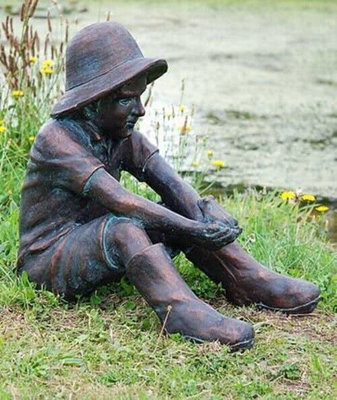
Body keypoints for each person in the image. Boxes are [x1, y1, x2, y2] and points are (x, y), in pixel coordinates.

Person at [17, 21, 320, 351]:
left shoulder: (122, 135)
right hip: (49, 258)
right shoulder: (57, 140)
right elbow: (120, 200)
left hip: (93, 237)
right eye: (127, 100)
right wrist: (193, 229)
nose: (141, 110)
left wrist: (206, 214)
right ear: (93, 102)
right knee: (124, 229)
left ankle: (245, 279)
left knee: (171, 211)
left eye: (141, 97)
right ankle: (179, 311)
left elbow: (174, 186)